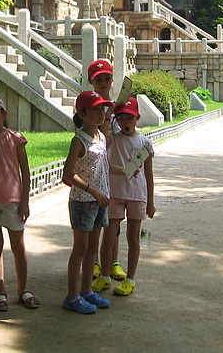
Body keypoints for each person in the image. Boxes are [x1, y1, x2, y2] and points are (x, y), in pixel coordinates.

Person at [0, 95, 40, 311]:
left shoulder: (15, 139)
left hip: (13, 200)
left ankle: (24, 290)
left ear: (4, 113)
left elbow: (25, 171)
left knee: (18, 246)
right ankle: (0, 290)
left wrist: (25, 200)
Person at [95, 97, 155, 296]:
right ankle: (105, 276)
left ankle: (130, 279)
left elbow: (149, 174)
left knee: (134, 238)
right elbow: (102, 136)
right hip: (115, 194)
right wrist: (109, 113)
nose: (125, 122)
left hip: (137, 195)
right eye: (121, 118)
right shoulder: (113, 138)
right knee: (109, 237)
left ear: (137, 117)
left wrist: (151, 202)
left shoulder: (145, 142)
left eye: (129, 118)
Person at [62, 90, 114, 314]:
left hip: (100, 199)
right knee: (80, 248)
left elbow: (102, 166)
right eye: (95, 109)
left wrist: (127, 169)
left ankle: (86, 291)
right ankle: (72, 296)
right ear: (82, 114)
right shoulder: (79, 140)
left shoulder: (101, 136)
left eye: (102, 109)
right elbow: (67, 174)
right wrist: (91, 190)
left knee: (93, 247)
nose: (101, 113)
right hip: (83, 201)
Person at [86, 59, 124, 280]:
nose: (103, 82)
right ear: (92, 81)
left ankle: (113, 261)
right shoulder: (89, 105)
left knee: (114, 221)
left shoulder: (118, 105)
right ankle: (95, 262)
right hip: (95, 175)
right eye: (98, 79)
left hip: (115, 173)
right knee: (93, 223)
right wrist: (108, 114)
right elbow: (104, 140)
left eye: (107, 78)